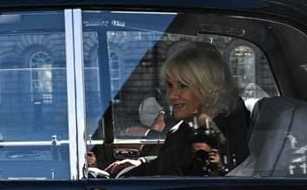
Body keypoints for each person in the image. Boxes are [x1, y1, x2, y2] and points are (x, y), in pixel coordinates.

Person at [106, 41, 250, 177]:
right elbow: (167, 163)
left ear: (207, 87)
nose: (172, 95)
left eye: (183, 85)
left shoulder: (220, 136)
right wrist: (140, 162)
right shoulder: (188, 127)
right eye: (169, 85)